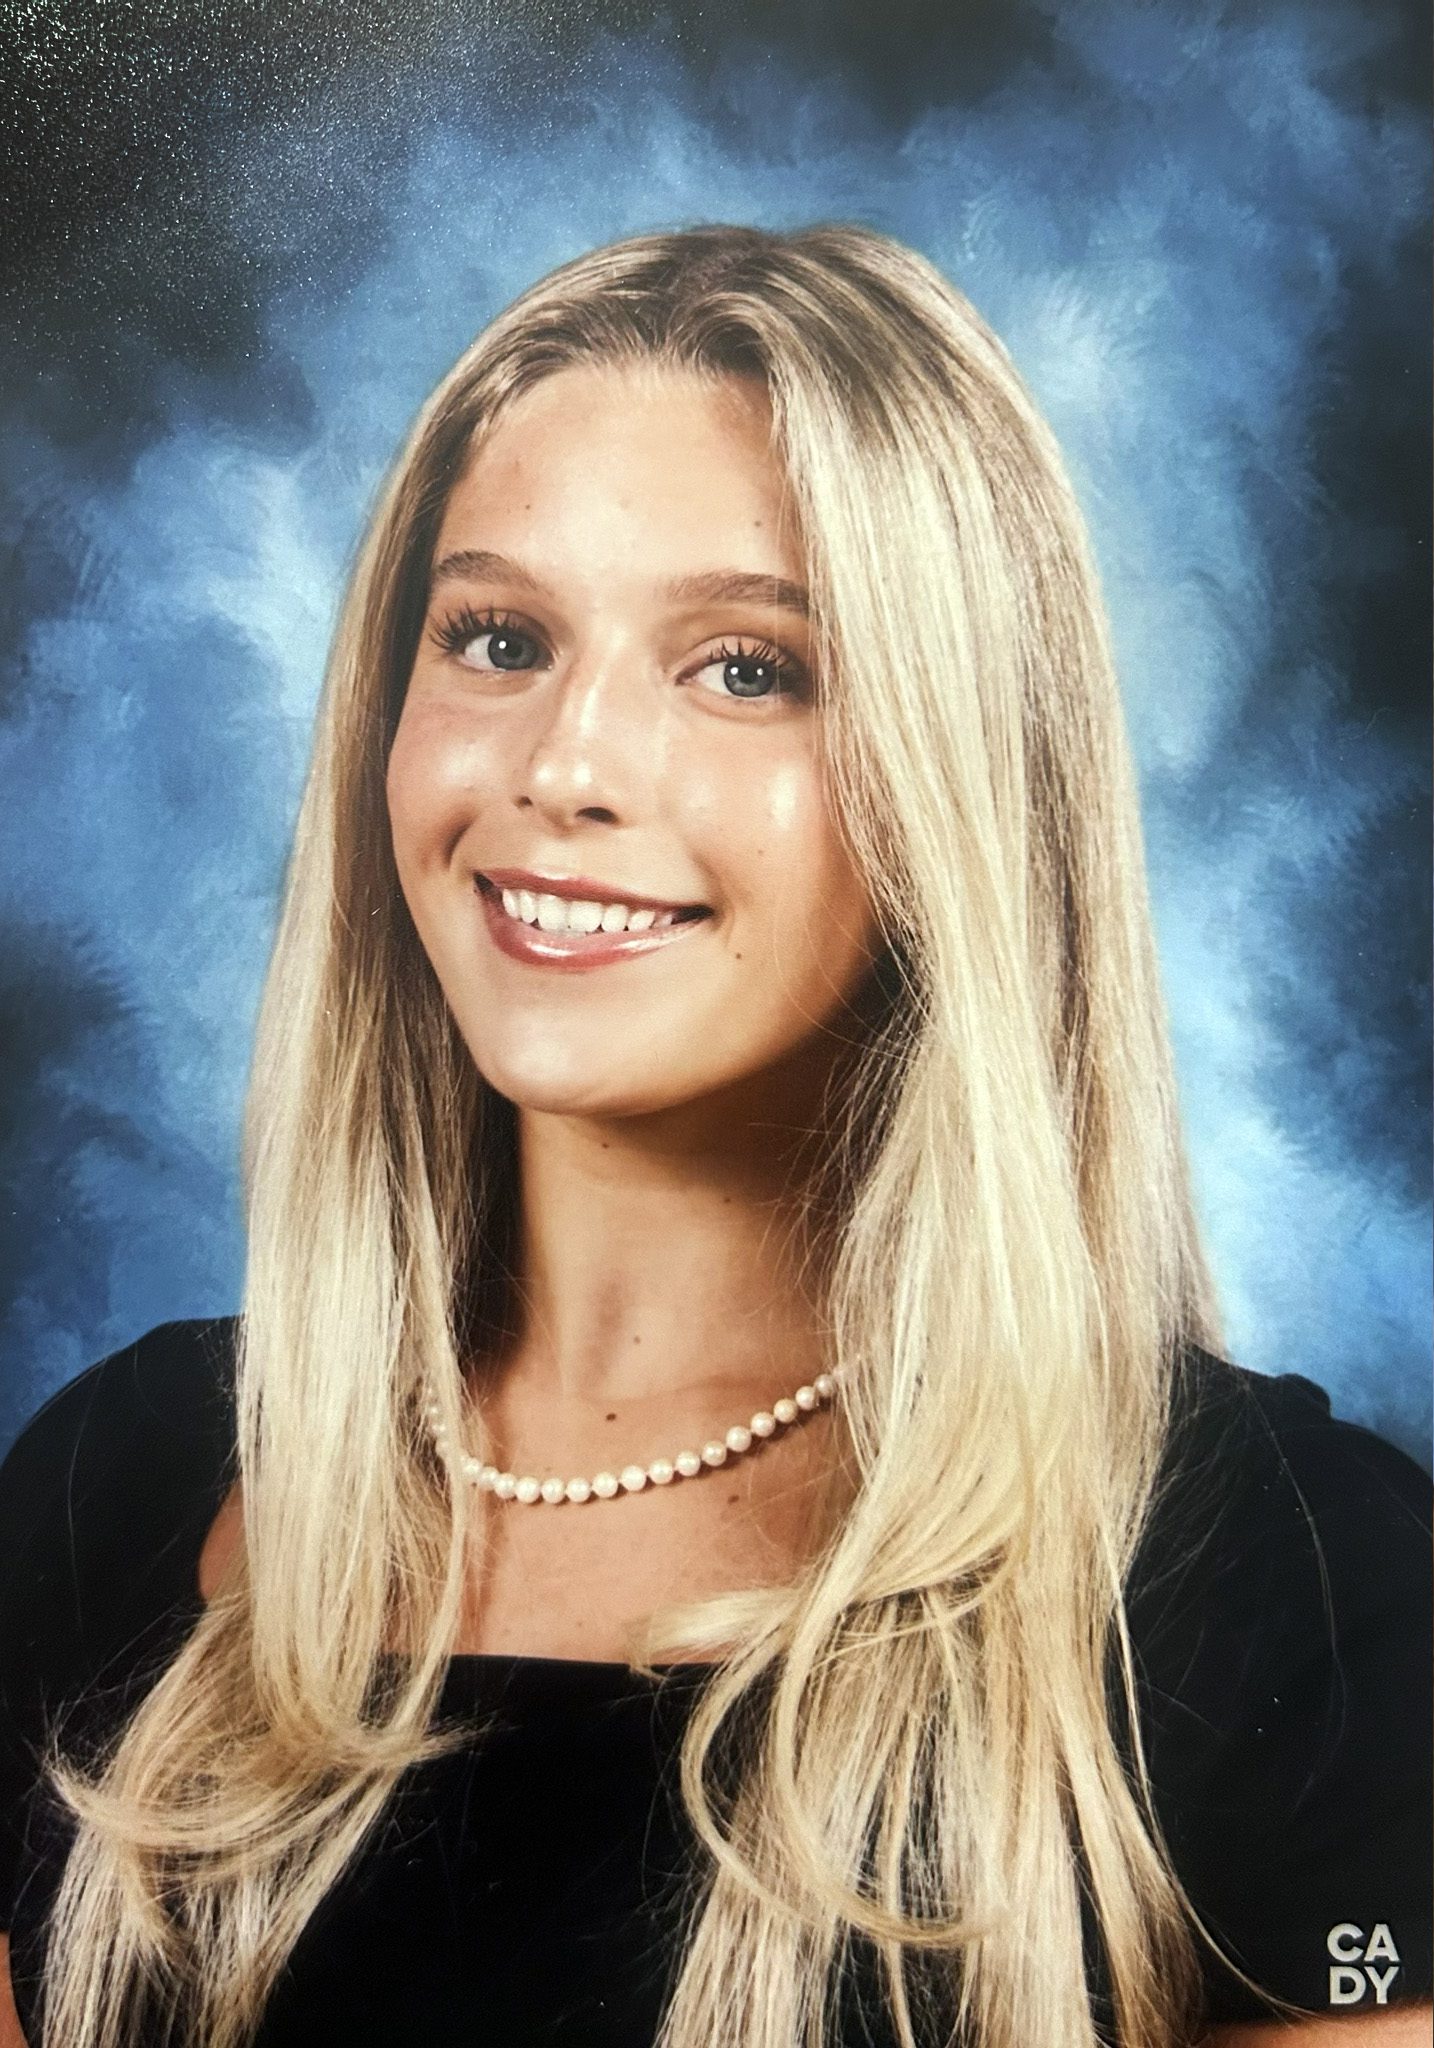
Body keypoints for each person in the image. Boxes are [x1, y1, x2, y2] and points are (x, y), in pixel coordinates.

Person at [0, 224, 1428, 2048]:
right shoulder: (120, 1481)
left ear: (959, 779)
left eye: (747, 668)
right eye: (498, 639)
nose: (564, 765)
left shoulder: (1294, 1583)